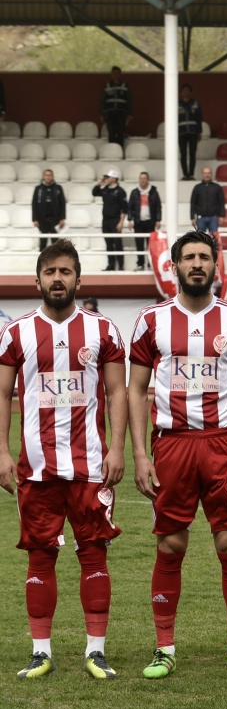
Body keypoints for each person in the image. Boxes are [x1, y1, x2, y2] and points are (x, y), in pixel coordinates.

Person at [127, 230, 227, 678]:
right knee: (170, 544)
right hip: (171, 445)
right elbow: (134, 389)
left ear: (215, 266)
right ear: (174, 266)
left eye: (204, 257)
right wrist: (140, 455)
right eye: (188, 257)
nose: (196, 264)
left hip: (223, 444)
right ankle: (164, 647)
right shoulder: (151, 321)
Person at [0, 240, 127, 681]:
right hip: (35, 467)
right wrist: (1, 450)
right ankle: (40, 652)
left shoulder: (103, 330)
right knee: (40, 557)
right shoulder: (16, 332)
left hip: (91, 466)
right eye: (50, 271)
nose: (58, 279)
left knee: (94, 554)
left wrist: (116, 448)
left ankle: (96, 650)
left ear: (78, 279)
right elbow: (2, 393)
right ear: (37, 280)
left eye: (66, 271)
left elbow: (116, 393)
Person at [92, 170, 127, 272]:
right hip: (106, 220)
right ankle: (110, 265)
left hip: (115, 220)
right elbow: (94, 193)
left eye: (109, 177)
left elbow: (124, 208)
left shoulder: (120, 191)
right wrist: (99, 184)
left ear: (114, 178)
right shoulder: (106, 189)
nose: (106, 179)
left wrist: (121, 222)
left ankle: (120, 266)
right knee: (109, 244)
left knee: (117, 243)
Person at [128, 171, 159, 270]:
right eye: (141, 178)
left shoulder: (153, 192)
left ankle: (150, 264)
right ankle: (140, 264)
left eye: (144, 178)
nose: (142, 180)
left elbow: (158, 207)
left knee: (150, 245)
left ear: (147, 179)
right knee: (139, 244)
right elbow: (130, 207)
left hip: (150, 221)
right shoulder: (134, 192)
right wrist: (130, 220)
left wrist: (158, 219)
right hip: (138, 222)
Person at [31, 168, 66, 249]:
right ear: (43, 176)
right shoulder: (38, 189)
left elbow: (62, 204)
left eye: (50, 175)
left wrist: (62, 218)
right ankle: (41, 261)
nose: (48, 177)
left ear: (53, 176)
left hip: (55, 219)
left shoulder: (58, 188)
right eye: (46, 175)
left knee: (56, 243)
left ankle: (56, 261)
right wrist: (35, 219)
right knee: (43, 242)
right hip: (42, 220)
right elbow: (34, 204)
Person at [190, 166, 225, 236]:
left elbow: (221, 202)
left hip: (214, 218)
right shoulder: (197, 188)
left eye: (208, 173)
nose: (207, 175)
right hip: (200, 218)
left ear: (211, 174)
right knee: (200, 238)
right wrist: (192, 217)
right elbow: (193, 203)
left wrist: (222, 215)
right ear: (202, 174)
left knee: (214, 239)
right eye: (205, 173)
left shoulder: (217, 187)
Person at [101, 66, 131, 147]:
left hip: (121, 113)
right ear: (111, 74)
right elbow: (102, 100)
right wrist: (102, 114)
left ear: (120, 74)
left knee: (121, 133)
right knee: (111, 133)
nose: (115, 75)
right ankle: (112, 151)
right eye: (114, 73)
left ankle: (120, 151)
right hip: (110, 113)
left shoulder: (125, 85)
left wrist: (129, 114)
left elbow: (129, 100)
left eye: (117, 73)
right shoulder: (107, 85)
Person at [178, 84, 203, 180]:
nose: (186, 92)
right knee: (183, 154)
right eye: (184, 90)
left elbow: (199, 118)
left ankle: (191, 174)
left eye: (188, 90)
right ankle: (185, 174)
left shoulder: (195, 104)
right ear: (181, 93)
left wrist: (199, 132)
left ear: (191, 92)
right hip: (181, 132)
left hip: (193, 132)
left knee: (192, 153)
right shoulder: (176, 104)